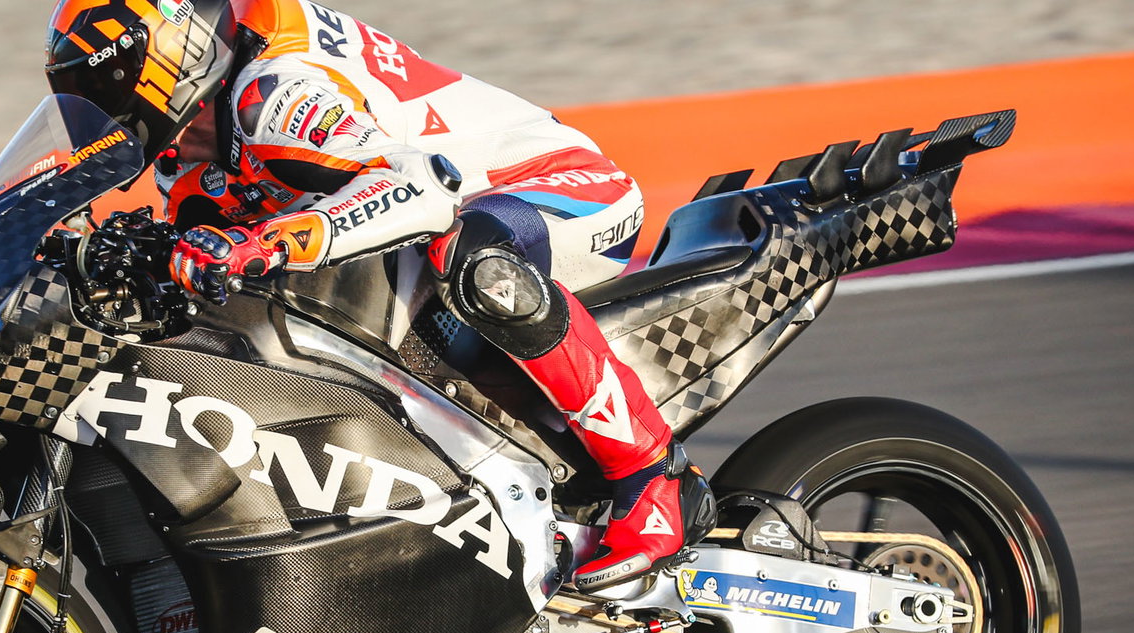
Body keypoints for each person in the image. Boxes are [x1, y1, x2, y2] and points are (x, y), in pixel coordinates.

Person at [44, 0, 714, 590]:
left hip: (560, 187)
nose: (90, 114)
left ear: (156, 67)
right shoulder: (186, 158)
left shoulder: (272, 95)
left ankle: (655, 480)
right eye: (74, 97)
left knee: (469, 258)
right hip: (446, 209)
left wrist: (272, 241)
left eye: (96, 88)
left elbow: (420, 191)